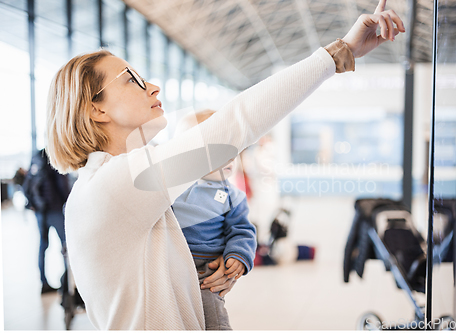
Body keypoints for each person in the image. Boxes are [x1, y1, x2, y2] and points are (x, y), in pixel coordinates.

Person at [45, 0, 404, 329]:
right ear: (97, 108)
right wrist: (339, 53)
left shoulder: (116, 186)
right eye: (133, 80)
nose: (153, 87)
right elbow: (237, 122)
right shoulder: (115, 184)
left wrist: (211, 267)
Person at [172, 109, 256, 330]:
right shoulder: (169, 188)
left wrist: (238, 256)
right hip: (170, 266)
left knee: (213, 317)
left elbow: (242, 230)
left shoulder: (232, 196)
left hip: (206, 272)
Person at [22, 149, 70, 294]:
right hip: (54, 210)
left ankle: (44, 283)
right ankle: (67, 284)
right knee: (66, 246)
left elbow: (26, 186)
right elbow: (63, 185)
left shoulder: (36, 159)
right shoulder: (54, 158)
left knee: (43, 246)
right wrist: (67, 202)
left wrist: (33, 204)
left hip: (40, 212)